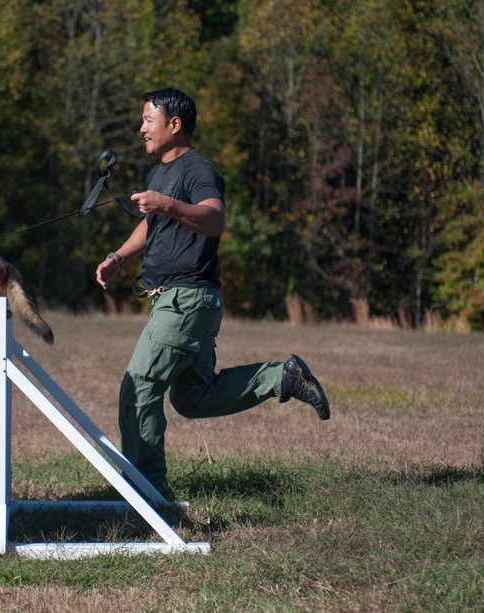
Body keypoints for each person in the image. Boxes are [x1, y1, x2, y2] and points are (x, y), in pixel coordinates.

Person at [95, 87, 330, 493]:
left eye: (148, 120)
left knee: (140, 387)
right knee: (194, 398)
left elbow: (215, 218)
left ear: (175, 124)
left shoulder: (197, 169)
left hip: (186, 299)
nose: (141, 129)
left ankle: (147, 492)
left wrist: (167, 204)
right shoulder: (160, 173)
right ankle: (282, 378)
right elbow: (152, 225)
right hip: (183, 301)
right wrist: (120, 256)